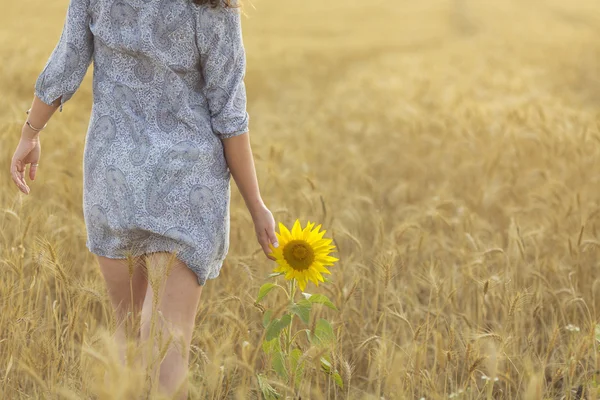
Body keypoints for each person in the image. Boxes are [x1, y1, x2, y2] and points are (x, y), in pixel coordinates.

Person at [9, 0, 278, 398]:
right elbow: (229, 114)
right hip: (188, 185)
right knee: (165, 340)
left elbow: (66, 63)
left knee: (130, 330)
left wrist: (30, 132)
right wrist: (256, 205)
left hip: (114, 179)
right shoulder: (212, 5)